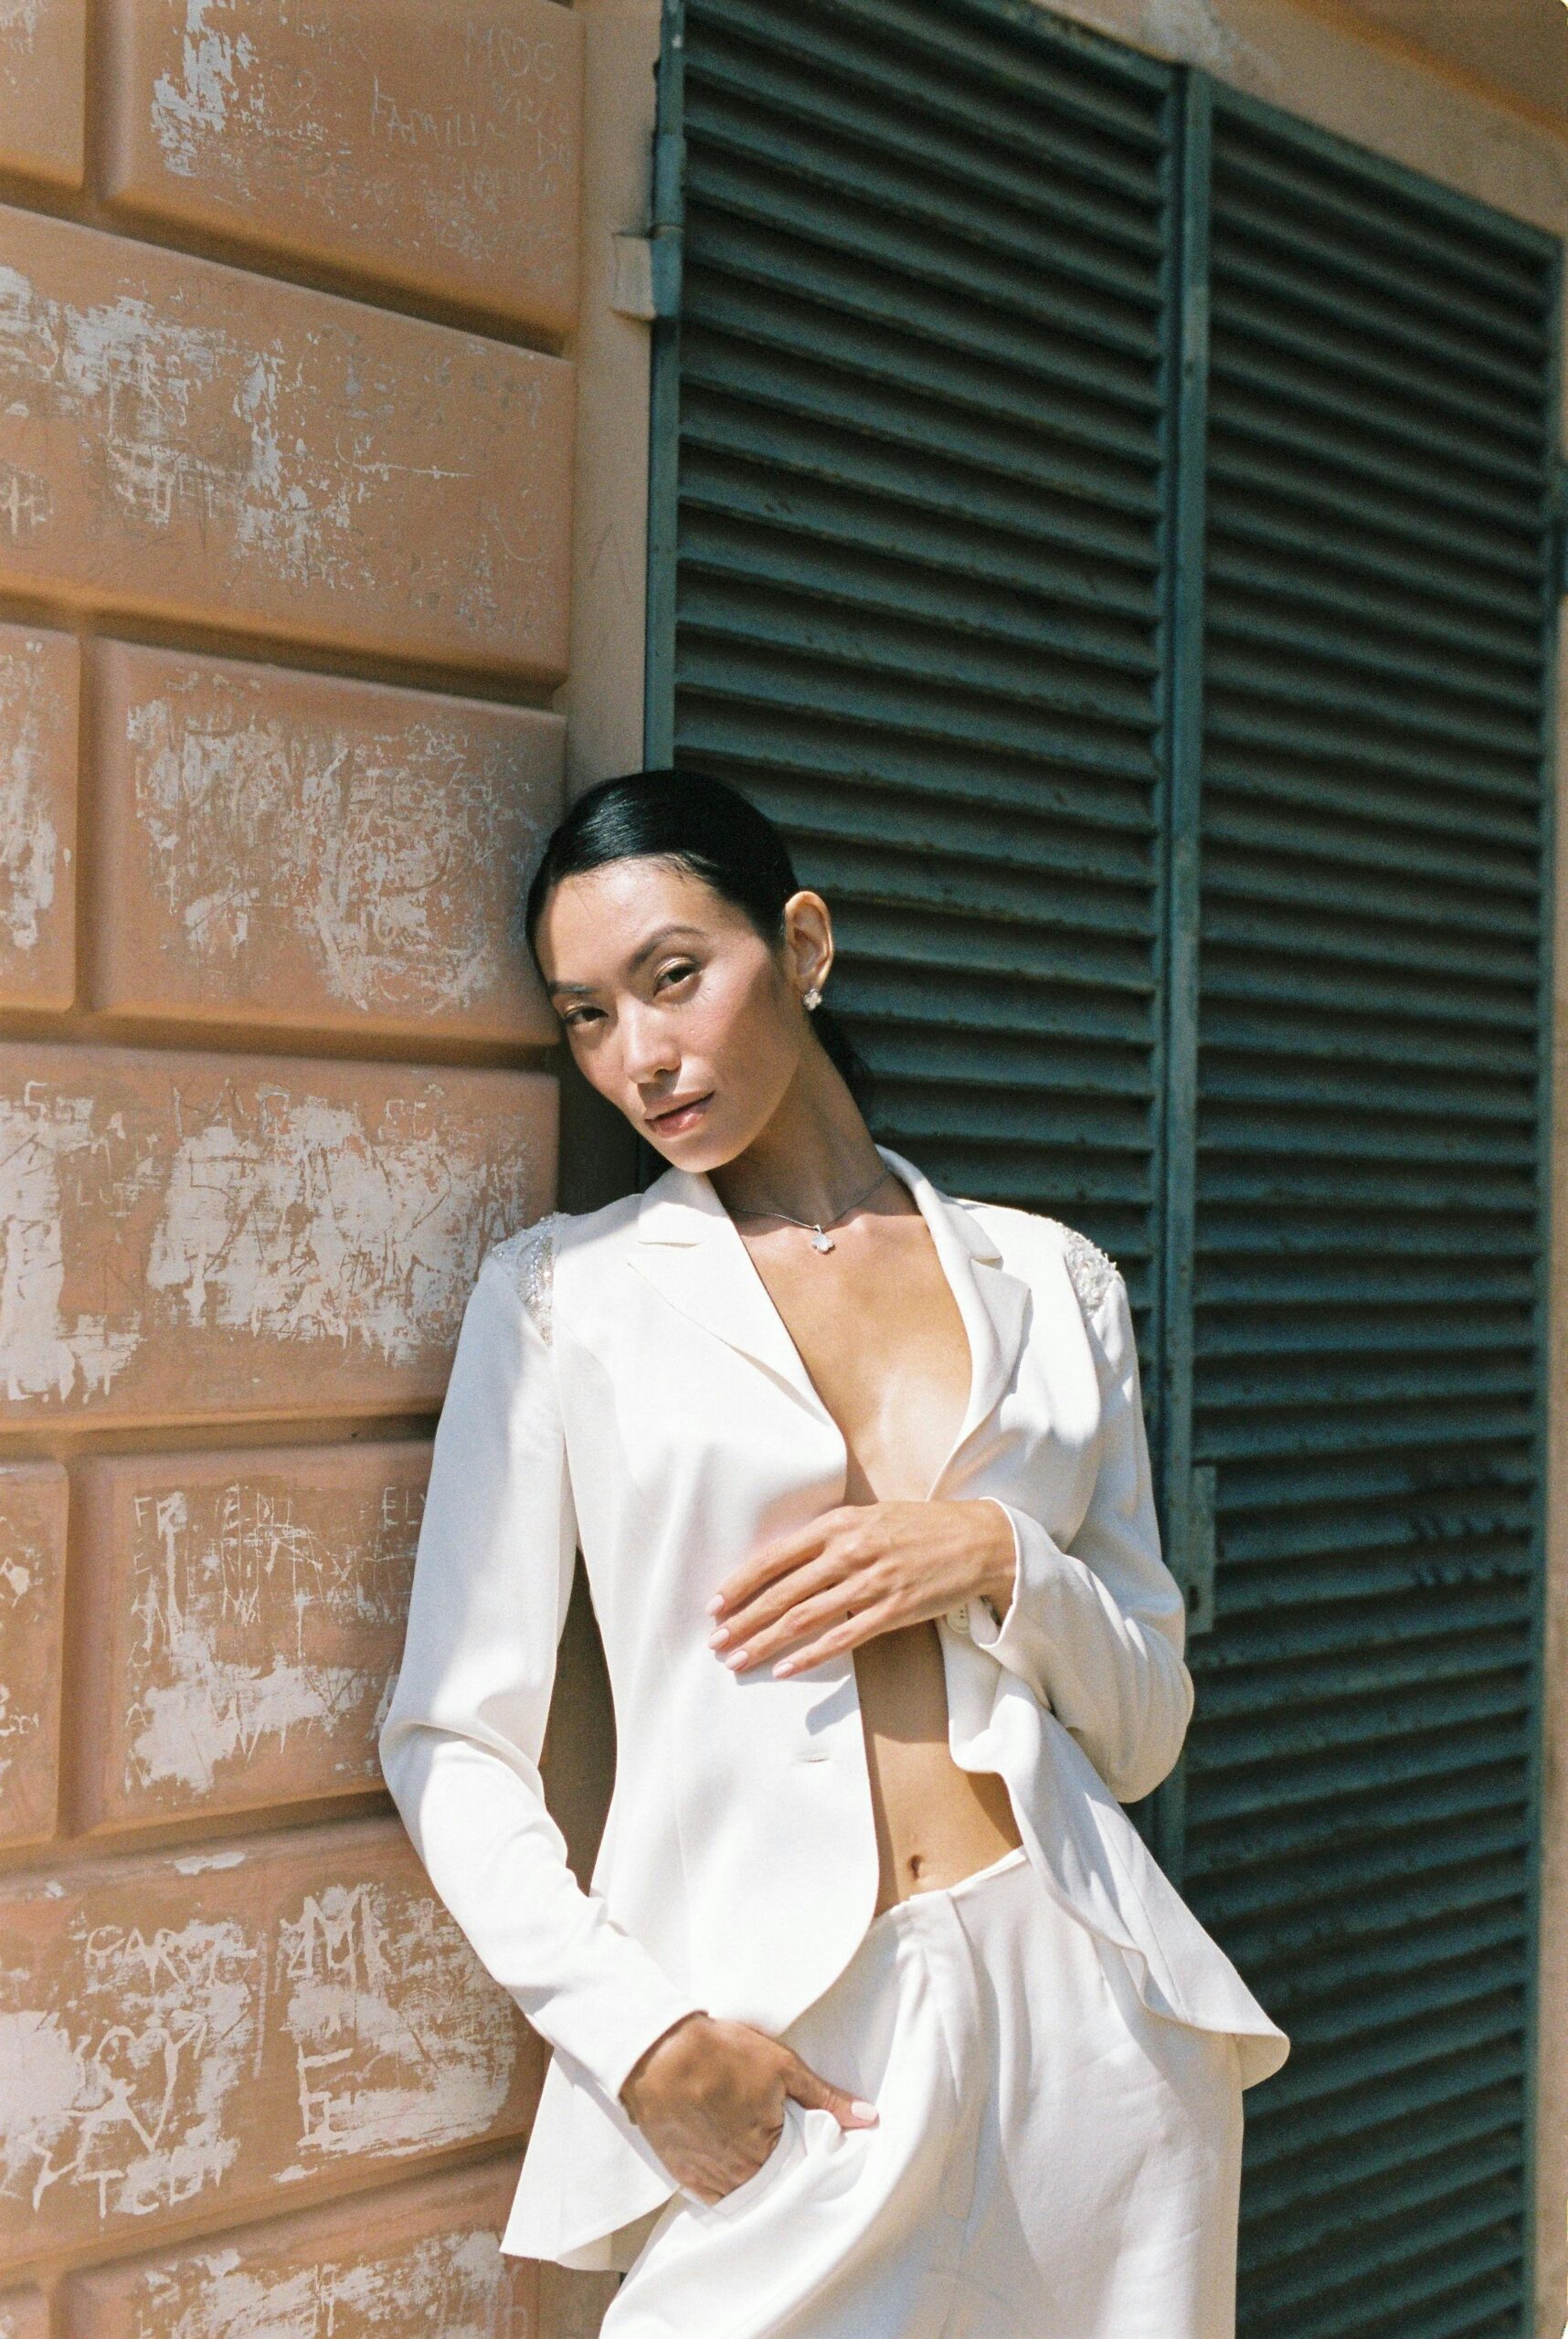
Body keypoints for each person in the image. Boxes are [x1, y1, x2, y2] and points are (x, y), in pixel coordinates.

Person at [377, 768, 1288, 2339]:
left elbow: (1142, 1730)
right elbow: (449, 1740)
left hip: (1084, 2015)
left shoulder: (1051, 1282)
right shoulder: (561, 1302)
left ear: (800, 945)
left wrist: (995, 1554)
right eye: (587, 1015)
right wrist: (644, 2041)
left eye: (676, 976)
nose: (643, 1054)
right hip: (782, 2053)